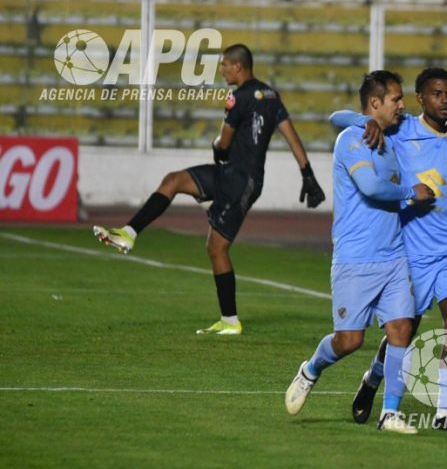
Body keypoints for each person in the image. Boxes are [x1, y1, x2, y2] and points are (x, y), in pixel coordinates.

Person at [93, 44, 325, 335]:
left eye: (225, 64)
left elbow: (223, 142)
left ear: (238, 66)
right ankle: (129, 233)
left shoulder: (237, 97)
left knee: (216, 247)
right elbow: (291, 134)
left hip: (240, 181)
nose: (222, 69)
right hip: (234, 175)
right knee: (173, 181)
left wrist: (217, 147)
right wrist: (307, 173)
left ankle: (231, 321)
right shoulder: (271, 95)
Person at [285, 71, 435, 435]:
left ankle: (390, 413)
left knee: (401, 330)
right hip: (355, 258)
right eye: (396, 99)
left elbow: (429, 124)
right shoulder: (351, 139)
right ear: (375, 103)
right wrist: (411, 192)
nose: (402, 106)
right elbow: (369, 186)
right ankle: (311, 370)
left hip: (394, 255)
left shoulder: (391, 134)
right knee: (350, 340)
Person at [330, 67, 447, 432]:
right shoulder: (400, 129)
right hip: (412, 250)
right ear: (420, 98)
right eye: (437, 94)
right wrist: (367, 121)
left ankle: (444, 412)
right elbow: (338, 118)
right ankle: (373, 378)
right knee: (403, 332)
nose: (445, 100)